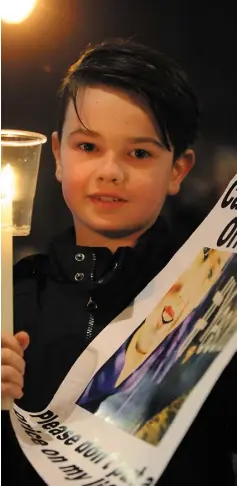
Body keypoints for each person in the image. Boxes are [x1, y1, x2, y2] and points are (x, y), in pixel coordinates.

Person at [1, 39, 236, 486]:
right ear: (57, 154)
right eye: (88, 147)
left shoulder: (214, 296)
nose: (110, 171)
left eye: (139, 153)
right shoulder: (11, 299)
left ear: (179, 170)